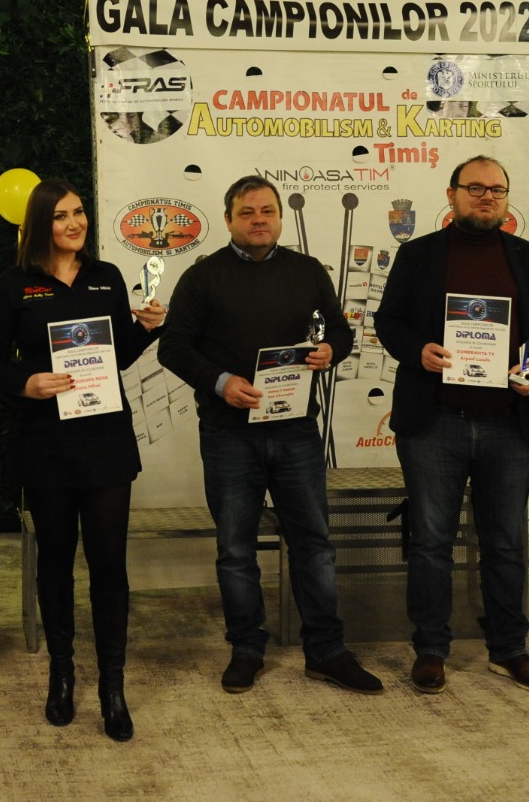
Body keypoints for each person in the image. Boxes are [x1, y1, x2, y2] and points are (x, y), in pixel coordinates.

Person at [158, 174, 382, 697]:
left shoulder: (307, 271)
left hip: (296, 432)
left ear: (280, 217)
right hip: (228, 435)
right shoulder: (202, 277)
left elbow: (339, 331)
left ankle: (326, 652)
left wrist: (332, 352)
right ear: (229, 219)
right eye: (247, 212)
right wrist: (220, 381)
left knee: (314, 546)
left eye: (267, 211)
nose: (258, 220)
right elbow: (174, 347)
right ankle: (246, 649)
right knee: (236, 550)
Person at [0, 179, 166, 742]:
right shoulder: (15, 284)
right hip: (45, 444)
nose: (75, 223)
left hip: (105, 442)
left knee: (109, 566)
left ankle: (113, 686)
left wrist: (146, 331)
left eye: (79, 213)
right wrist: (25, 383)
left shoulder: (106, 276)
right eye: (61, 216)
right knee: (55, 565)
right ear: (41, 223)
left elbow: (118, 356)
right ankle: (62, 674)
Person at [375, 154, 529, 697]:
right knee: (430, 543)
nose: (486, 197)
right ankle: (431, 649)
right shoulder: (418, 255)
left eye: (496, 190)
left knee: (506, 543)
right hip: (434, 423)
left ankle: (509, 649)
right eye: (475, 188)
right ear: (452, 194)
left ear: (506, 199)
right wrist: (419, 349)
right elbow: (388, 320)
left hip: (509, 424)